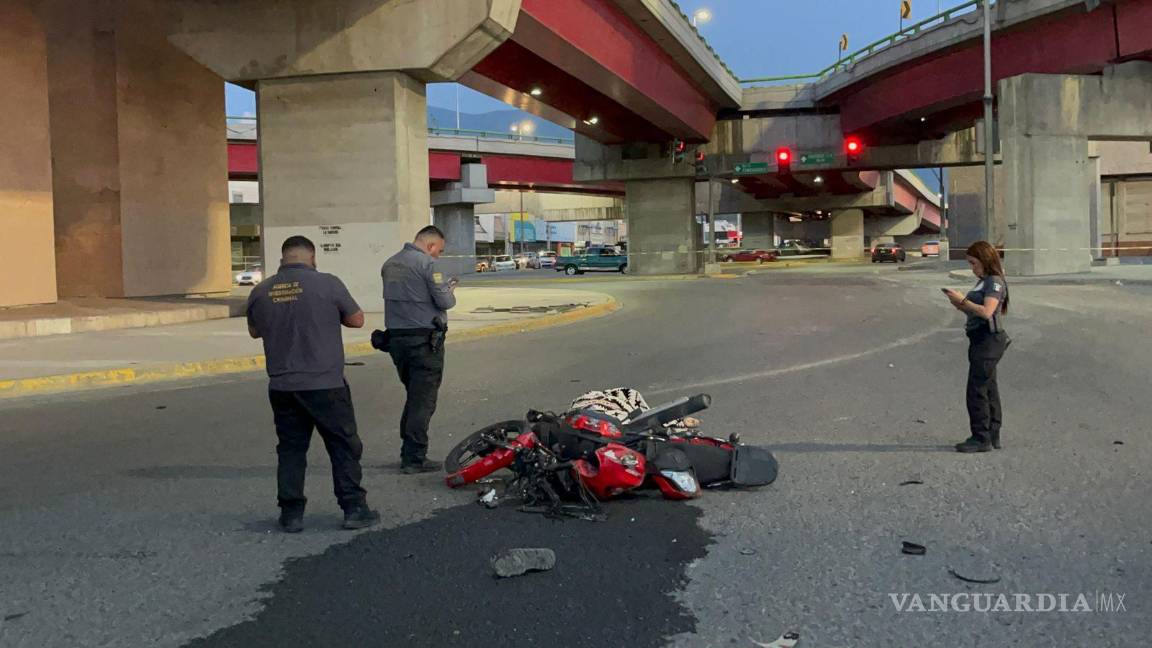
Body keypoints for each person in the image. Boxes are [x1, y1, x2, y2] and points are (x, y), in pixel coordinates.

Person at [247, 236, 380, 532]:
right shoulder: (328, 283)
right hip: (325, 384)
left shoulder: (261, 290)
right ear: (313, 258)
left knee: (291, 450)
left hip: (282, 386)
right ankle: (354, 508)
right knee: (343, 445)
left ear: (282, 259)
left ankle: (291, 514)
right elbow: (357, 320)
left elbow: (255, 331)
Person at [381, 226, 458, 474]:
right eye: (439, 250)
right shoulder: (428, 264)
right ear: (431, 245)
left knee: (414, 395)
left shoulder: (390, 263)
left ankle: (408, 450)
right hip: (424, 341)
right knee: (423, 400)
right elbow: (444, 301)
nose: (438, 255)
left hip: (397, 340)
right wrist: (449, 290)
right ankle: (414, 457)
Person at [943, 240, 1011, 453]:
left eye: (974, 263)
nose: (972, 268)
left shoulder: (994, 282)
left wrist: (963, 301)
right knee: (988, 386)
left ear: (985, 260)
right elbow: (976, 310)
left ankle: (981, 437)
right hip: (980, 338)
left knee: (977, 389)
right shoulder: (984, 282)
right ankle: (991, 434)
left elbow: (986, 312)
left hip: (989, 340)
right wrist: (959, 303)